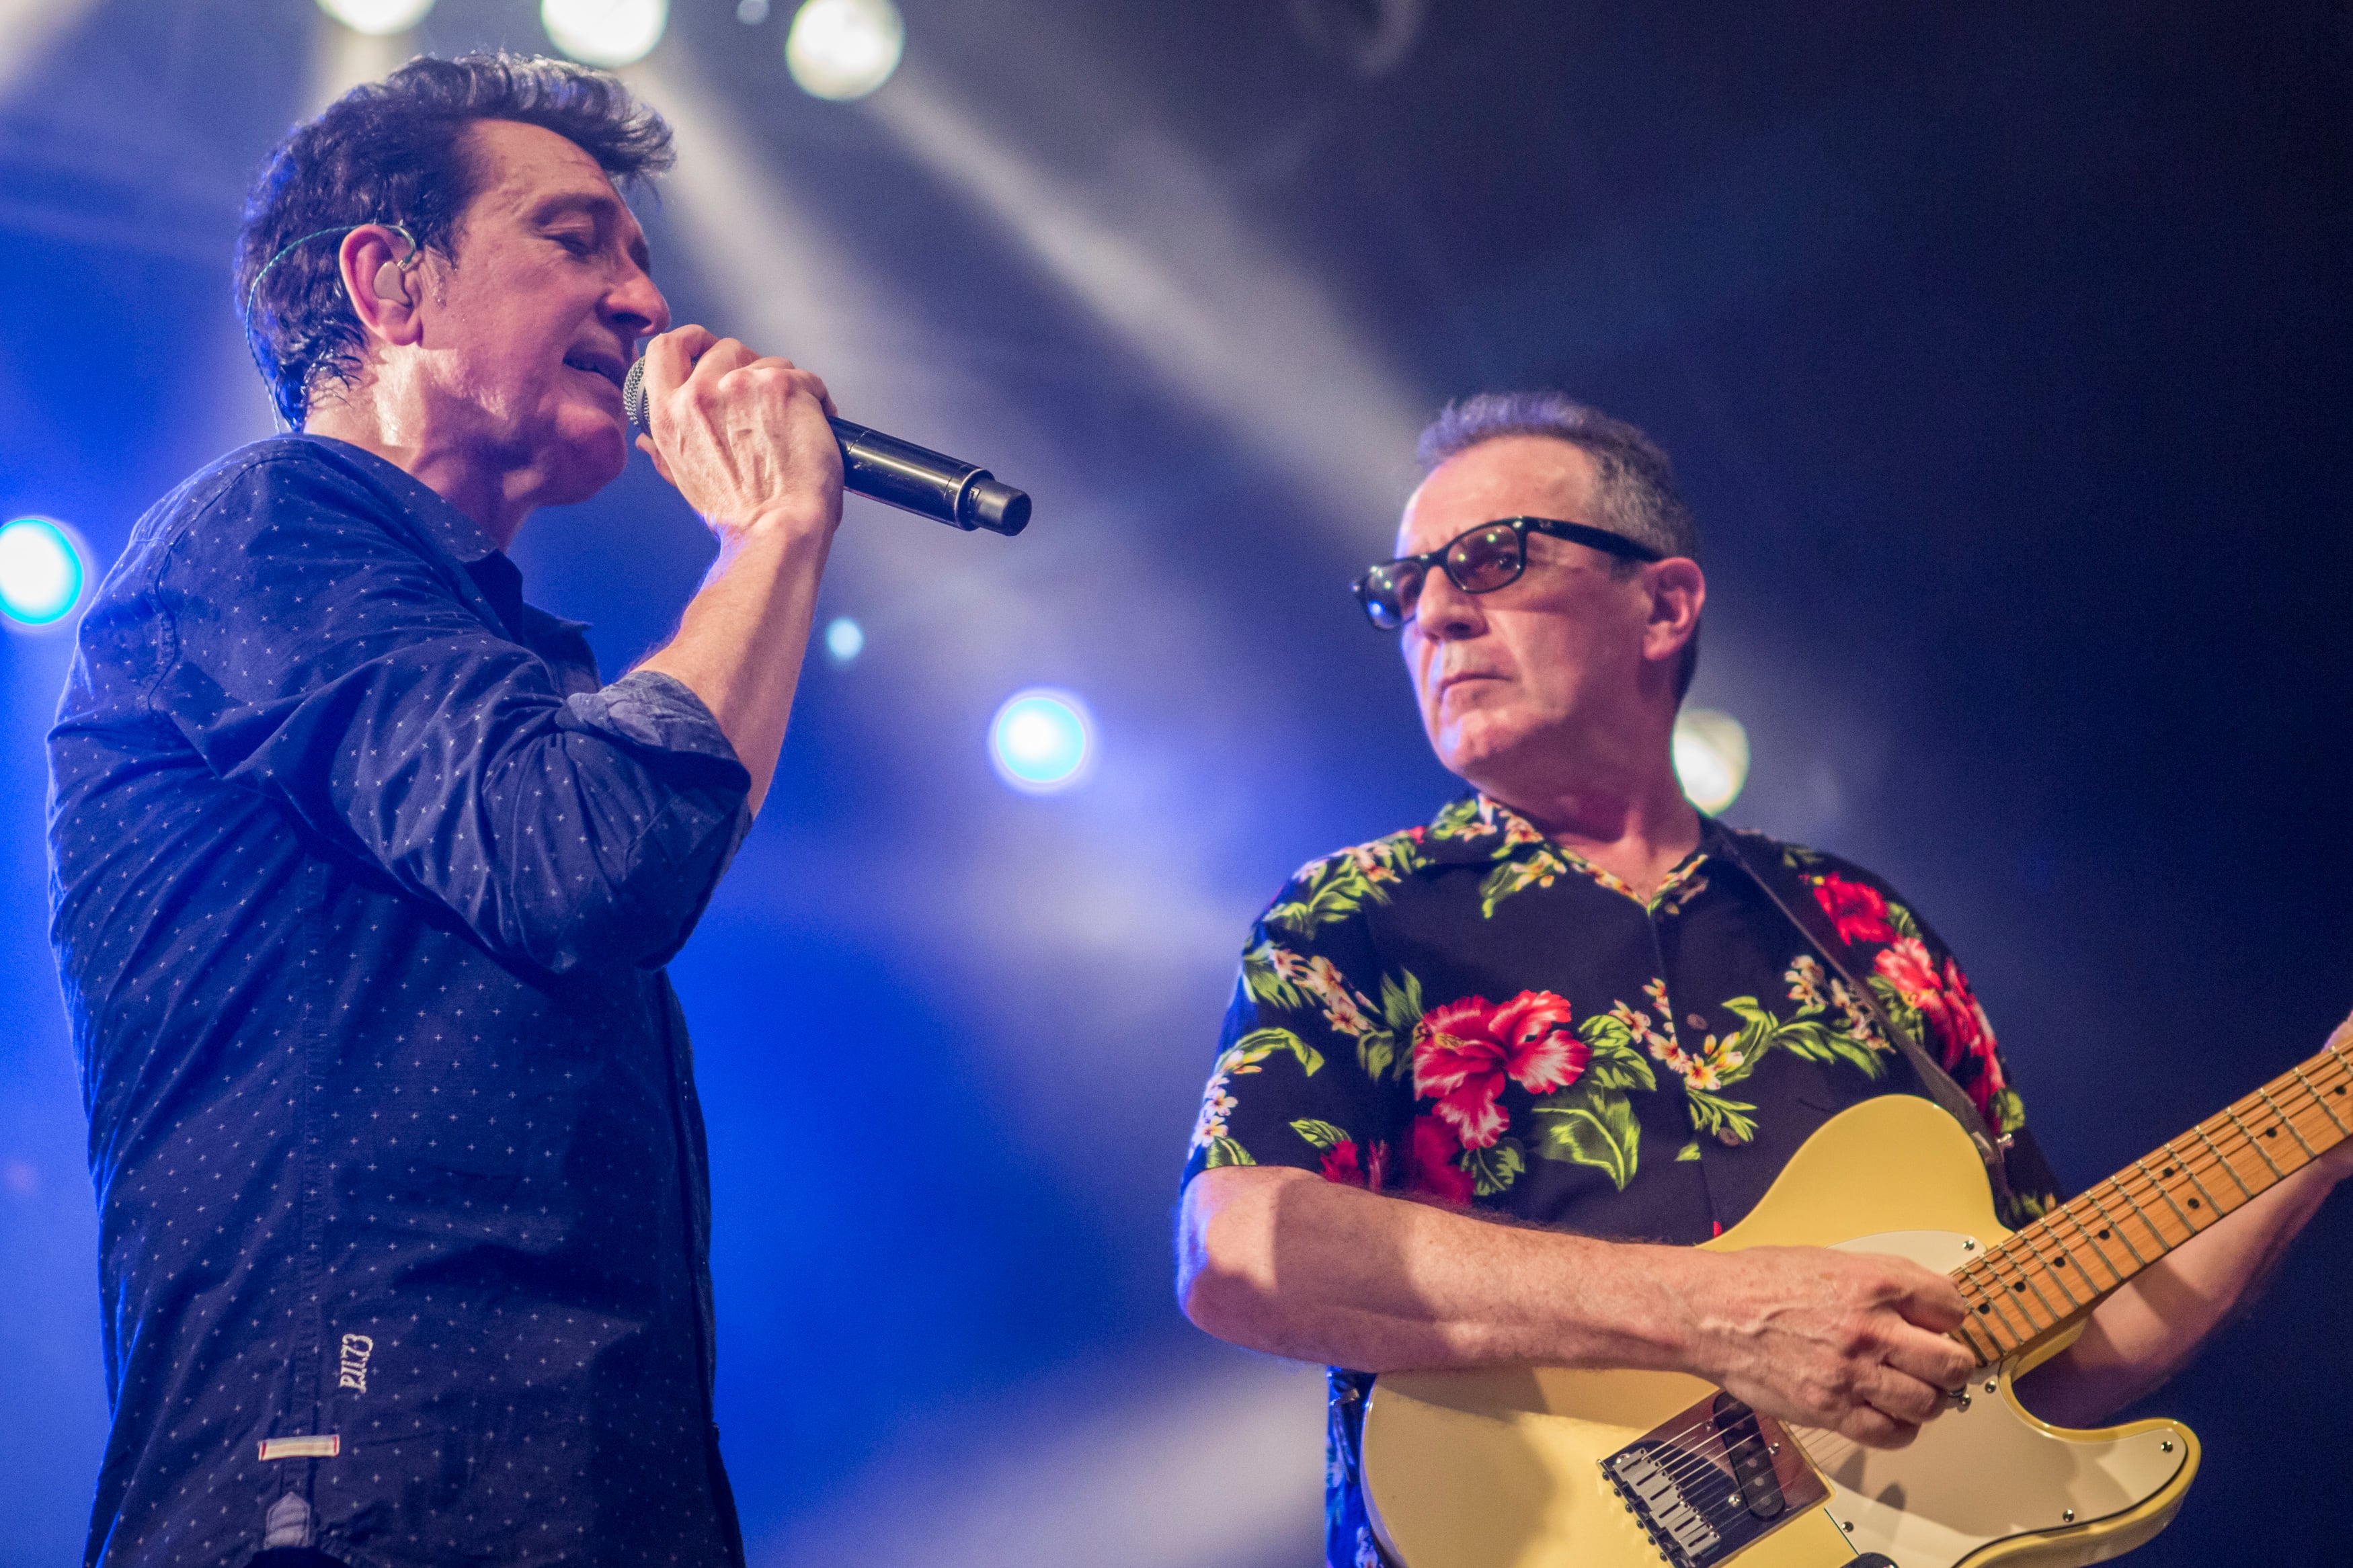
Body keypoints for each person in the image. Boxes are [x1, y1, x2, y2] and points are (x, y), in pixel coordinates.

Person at [1173, 393, 2352, 1568]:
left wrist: (2327, 1113)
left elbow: (2058, 1339)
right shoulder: (1354, 912)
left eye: (1489, 558)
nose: (1433, 612)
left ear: (1665, 604)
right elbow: (1239, 1250)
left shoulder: (1862, 924)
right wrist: (1715, 1316)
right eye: (1404, 587)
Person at [48, 54, 846, 1568]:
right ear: (387, 284)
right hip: (355, 1493)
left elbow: (625, 847)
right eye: (575, 239)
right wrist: (777, 528)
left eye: (643, 255)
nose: (643, 302)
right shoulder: (263, 530)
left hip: (573, 1496)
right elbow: (597, 856)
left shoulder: (505, 661)